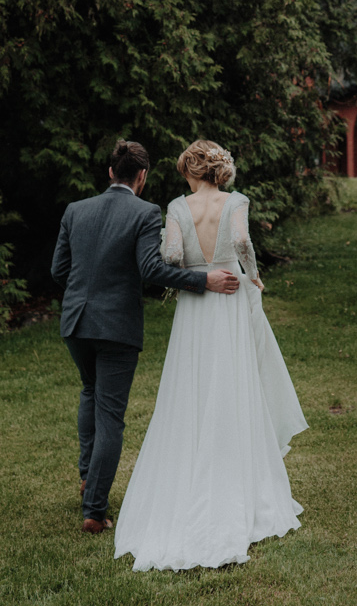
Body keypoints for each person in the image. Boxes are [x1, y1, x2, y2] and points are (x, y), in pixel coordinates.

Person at [113, 139, 308, 572]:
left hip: (196, 302)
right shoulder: (236, 201)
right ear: (217, 169)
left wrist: (193, 273)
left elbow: (170, 256)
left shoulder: (177, 207)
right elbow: (240, 240)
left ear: (189, 170)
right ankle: (236, 476)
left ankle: (190, 475)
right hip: (231, 295)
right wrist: (253, 276)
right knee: (234, 381)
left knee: (191, 386)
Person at [51, 139, 240, 534]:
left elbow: (58, 270)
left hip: (75, 324)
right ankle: (95, 509)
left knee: (90, 392)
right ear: (142, 176)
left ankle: (88, 476)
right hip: (116, 327)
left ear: (109, 173)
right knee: (110, 415)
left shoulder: (75, 210)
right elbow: (152, 269)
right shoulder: (144, 212)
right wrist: (202, 280)